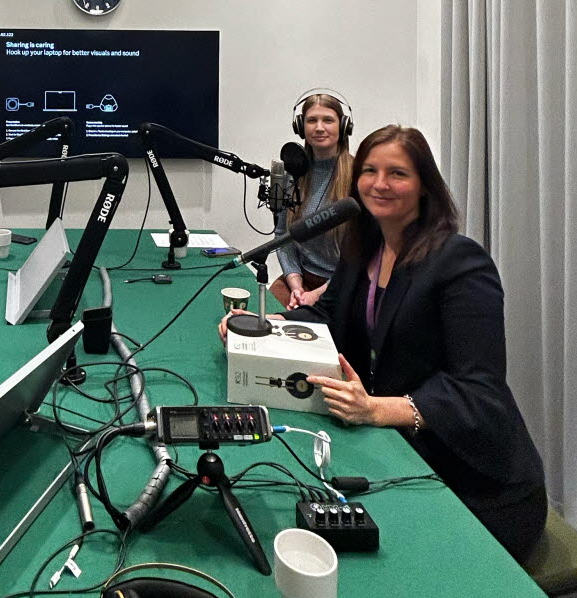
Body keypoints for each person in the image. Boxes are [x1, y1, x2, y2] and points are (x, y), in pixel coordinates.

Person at [223, 125, 547, 562]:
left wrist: (375, 409)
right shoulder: (365, 249)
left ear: (424, 186)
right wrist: (265, 324)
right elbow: (325, 315)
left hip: (477, 487)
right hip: (401, 456)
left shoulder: (461, 262)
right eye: (369, 170)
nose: (379, 183)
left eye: (397, 173)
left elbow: (478, 391)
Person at [270, 88, 356, 309]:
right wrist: (296, 284)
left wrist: (317, 294)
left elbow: (362, 255)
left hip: (342, 285)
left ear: (343, 126)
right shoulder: (293, 174)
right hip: (300, 281)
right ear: (300, 127)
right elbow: (282, 234)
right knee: (264, 317)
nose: (319, 128)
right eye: (311, 120)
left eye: (328, 120)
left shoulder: (359, 177)